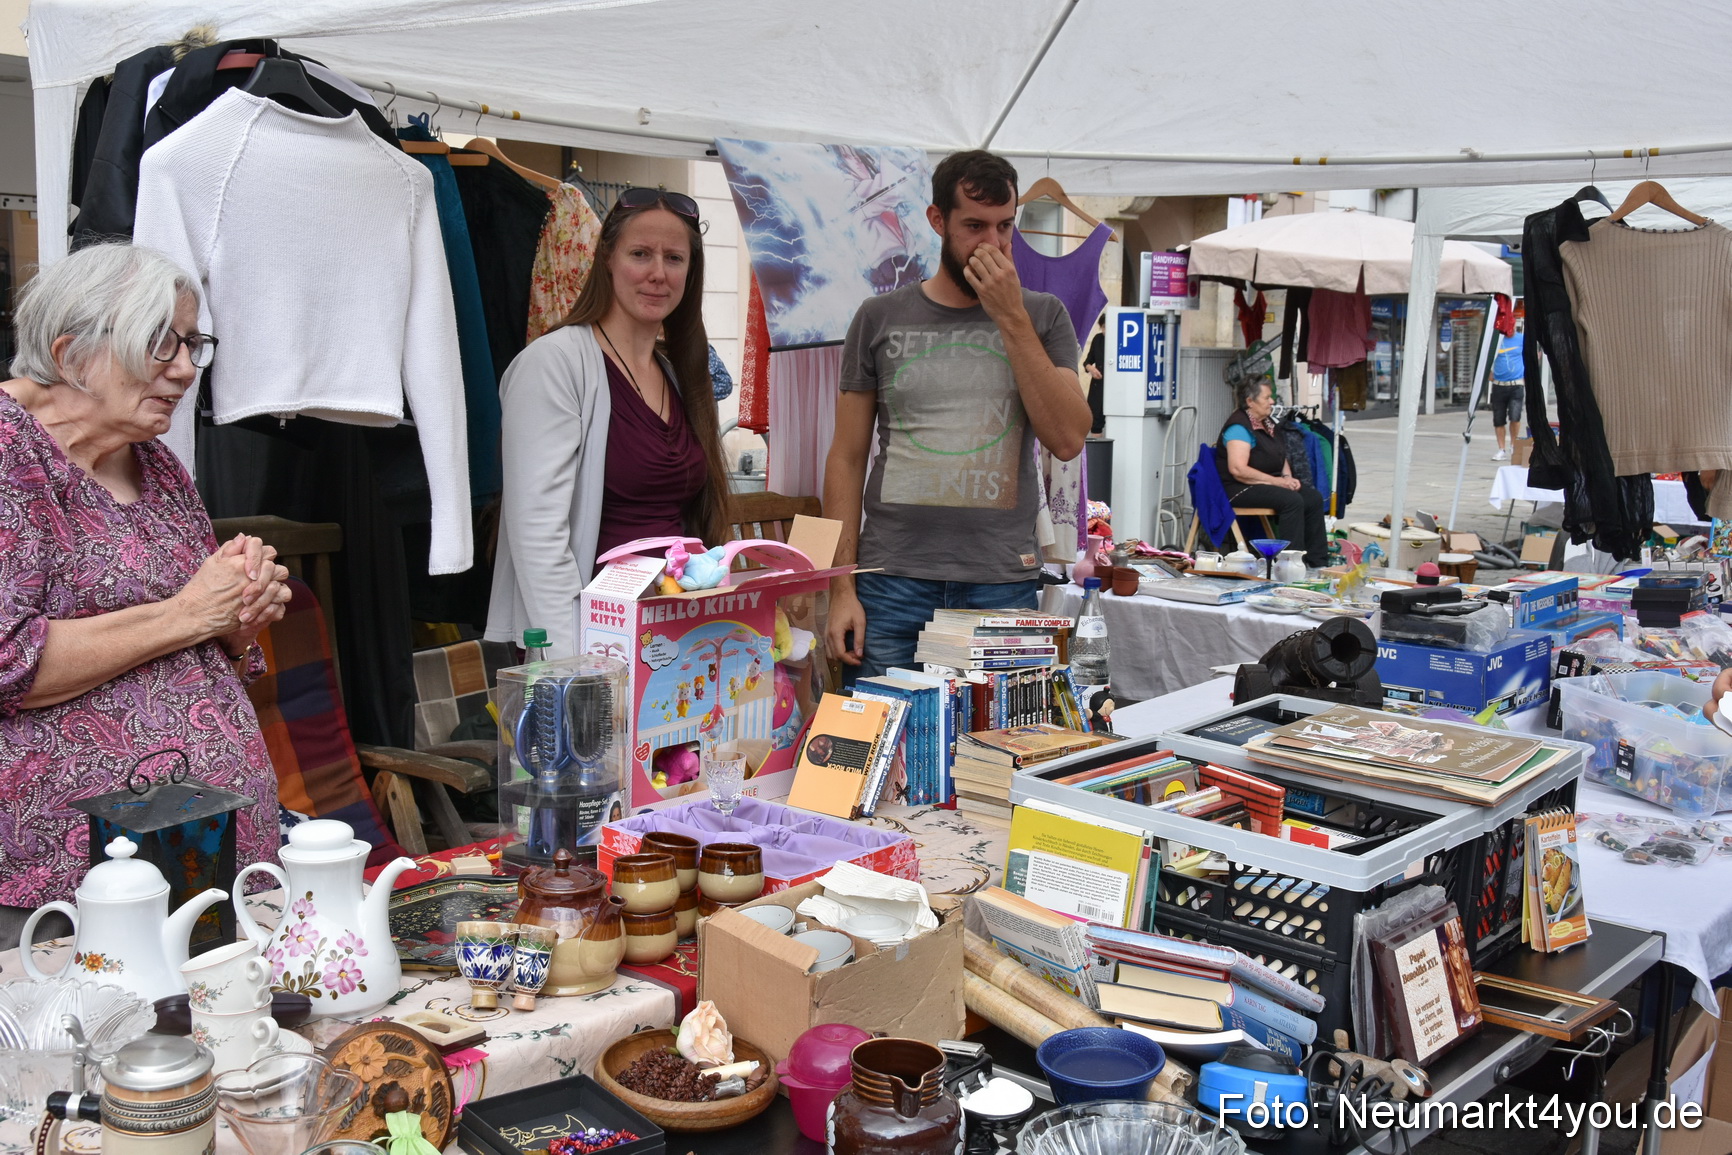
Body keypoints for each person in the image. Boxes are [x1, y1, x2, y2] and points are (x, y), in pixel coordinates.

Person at [0, 243, 292, 940]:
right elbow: (7, 660)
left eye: (192, 344)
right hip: (78, 886)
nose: (186, 368)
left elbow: (203, 643)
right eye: (161, 343)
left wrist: (239, 618)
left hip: (212, 851)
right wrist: (190, 612)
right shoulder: (11, 452)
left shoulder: (155, 461)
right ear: (71, 353)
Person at [823, 150, 1091, 680]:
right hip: (891, 578)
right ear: (937, 220)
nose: (992, 243)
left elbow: (1067, 438)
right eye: (974, 226)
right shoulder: (879, 317)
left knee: (994, 734)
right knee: (883, 727)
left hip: (1000, 581)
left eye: (1004, 226)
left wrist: (1011, 316)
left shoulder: (1042, 315)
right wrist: (840, 588)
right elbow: (846, 459)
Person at [487, 189, 733, 659]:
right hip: (592, 645)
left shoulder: (680, 374)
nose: (658, 273)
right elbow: (538, 535)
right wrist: (576, 665)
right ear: (607, 259)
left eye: (674, 258)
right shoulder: (554, 364)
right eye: (640, 254)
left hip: (674, 642)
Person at [1216, 379, 1330, 567]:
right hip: (1239, 487)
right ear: (1250, 401)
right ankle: (1290, 564)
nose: (1272, 402)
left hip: (1266, 483)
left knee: (1313, 498)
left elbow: (1280, 455)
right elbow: (1238, 470)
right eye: (1267, 397)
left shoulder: (1267, 423)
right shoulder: (1239, 427)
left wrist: (1287, 477)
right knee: (1292, 501)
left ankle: (1318, 563)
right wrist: (1278, 482)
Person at [1489, 325, 1525, 461]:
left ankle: (1513, 445)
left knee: (1515, 417)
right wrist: (1488, 374)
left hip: (1516, 385)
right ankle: (1501, 449)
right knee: (1498, 419)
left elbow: (1532, 356)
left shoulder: (1522, 339)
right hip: (1499, 385)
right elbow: (1486, 357)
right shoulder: (1496, 341)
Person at [1082, 315, 1106, 435]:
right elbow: (1087, 361)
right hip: (1098, 384)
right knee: (1095, 421)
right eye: (1104, 327)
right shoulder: (1098, 339)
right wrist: (1091, 368)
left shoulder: (1121, 340)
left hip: (1114, 386)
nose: (1106, 331)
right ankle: (1097, 445)